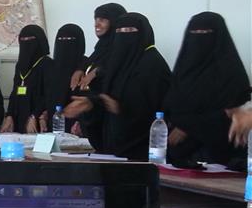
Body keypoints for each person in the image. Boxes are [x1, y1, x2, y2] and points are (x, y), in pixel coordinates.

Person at [64, 13, 171, 160]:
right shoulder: (119, 64)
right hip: (114, 150)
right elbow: (108, 99)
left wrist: (120, 108)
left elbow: (151, 108)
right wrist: (92, 104)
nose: (124, 36)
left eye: (130, 31)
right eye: (119, 32)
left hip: (144, 153)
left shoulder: (153, 65)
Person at [165, 12, 251, 169]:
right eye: (195, 33)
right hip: (182, 159)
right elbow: (172, 110)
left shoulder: (233, 75)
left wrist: (188, 127)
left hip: (223, 160)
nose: (199, 38)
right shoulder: (182, 72)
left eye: (206, 33)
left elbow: (231, 115)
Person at [1, 25, 54, 134]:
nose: (26, 43)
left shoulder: (46, 64)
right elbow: (15, 92)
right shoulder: (20, 65)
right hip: (18, 121)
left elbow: (49, 95)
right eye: (23, 40)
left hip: (37, 122)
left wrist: (35, 115)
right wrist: (9, 115)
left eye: (30, 40)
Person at [71, 2, 126, 94]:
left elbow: (117, 64)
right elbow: (90, 61)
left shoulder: (124, 48)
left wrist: (97, 71)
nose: (96, 24)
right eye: (96, 19)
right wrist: (80, 69)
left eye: (102, 20)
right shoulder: (101, 46)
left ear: (114, 22)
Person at [47, 23, 88, 127]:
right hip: (52, 121)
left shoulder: (85, 64)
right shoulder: (51, 66)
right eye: (61, 39)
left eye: (70, 39)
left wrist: (80, 122)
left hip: (76, 123)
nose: (65, 43)